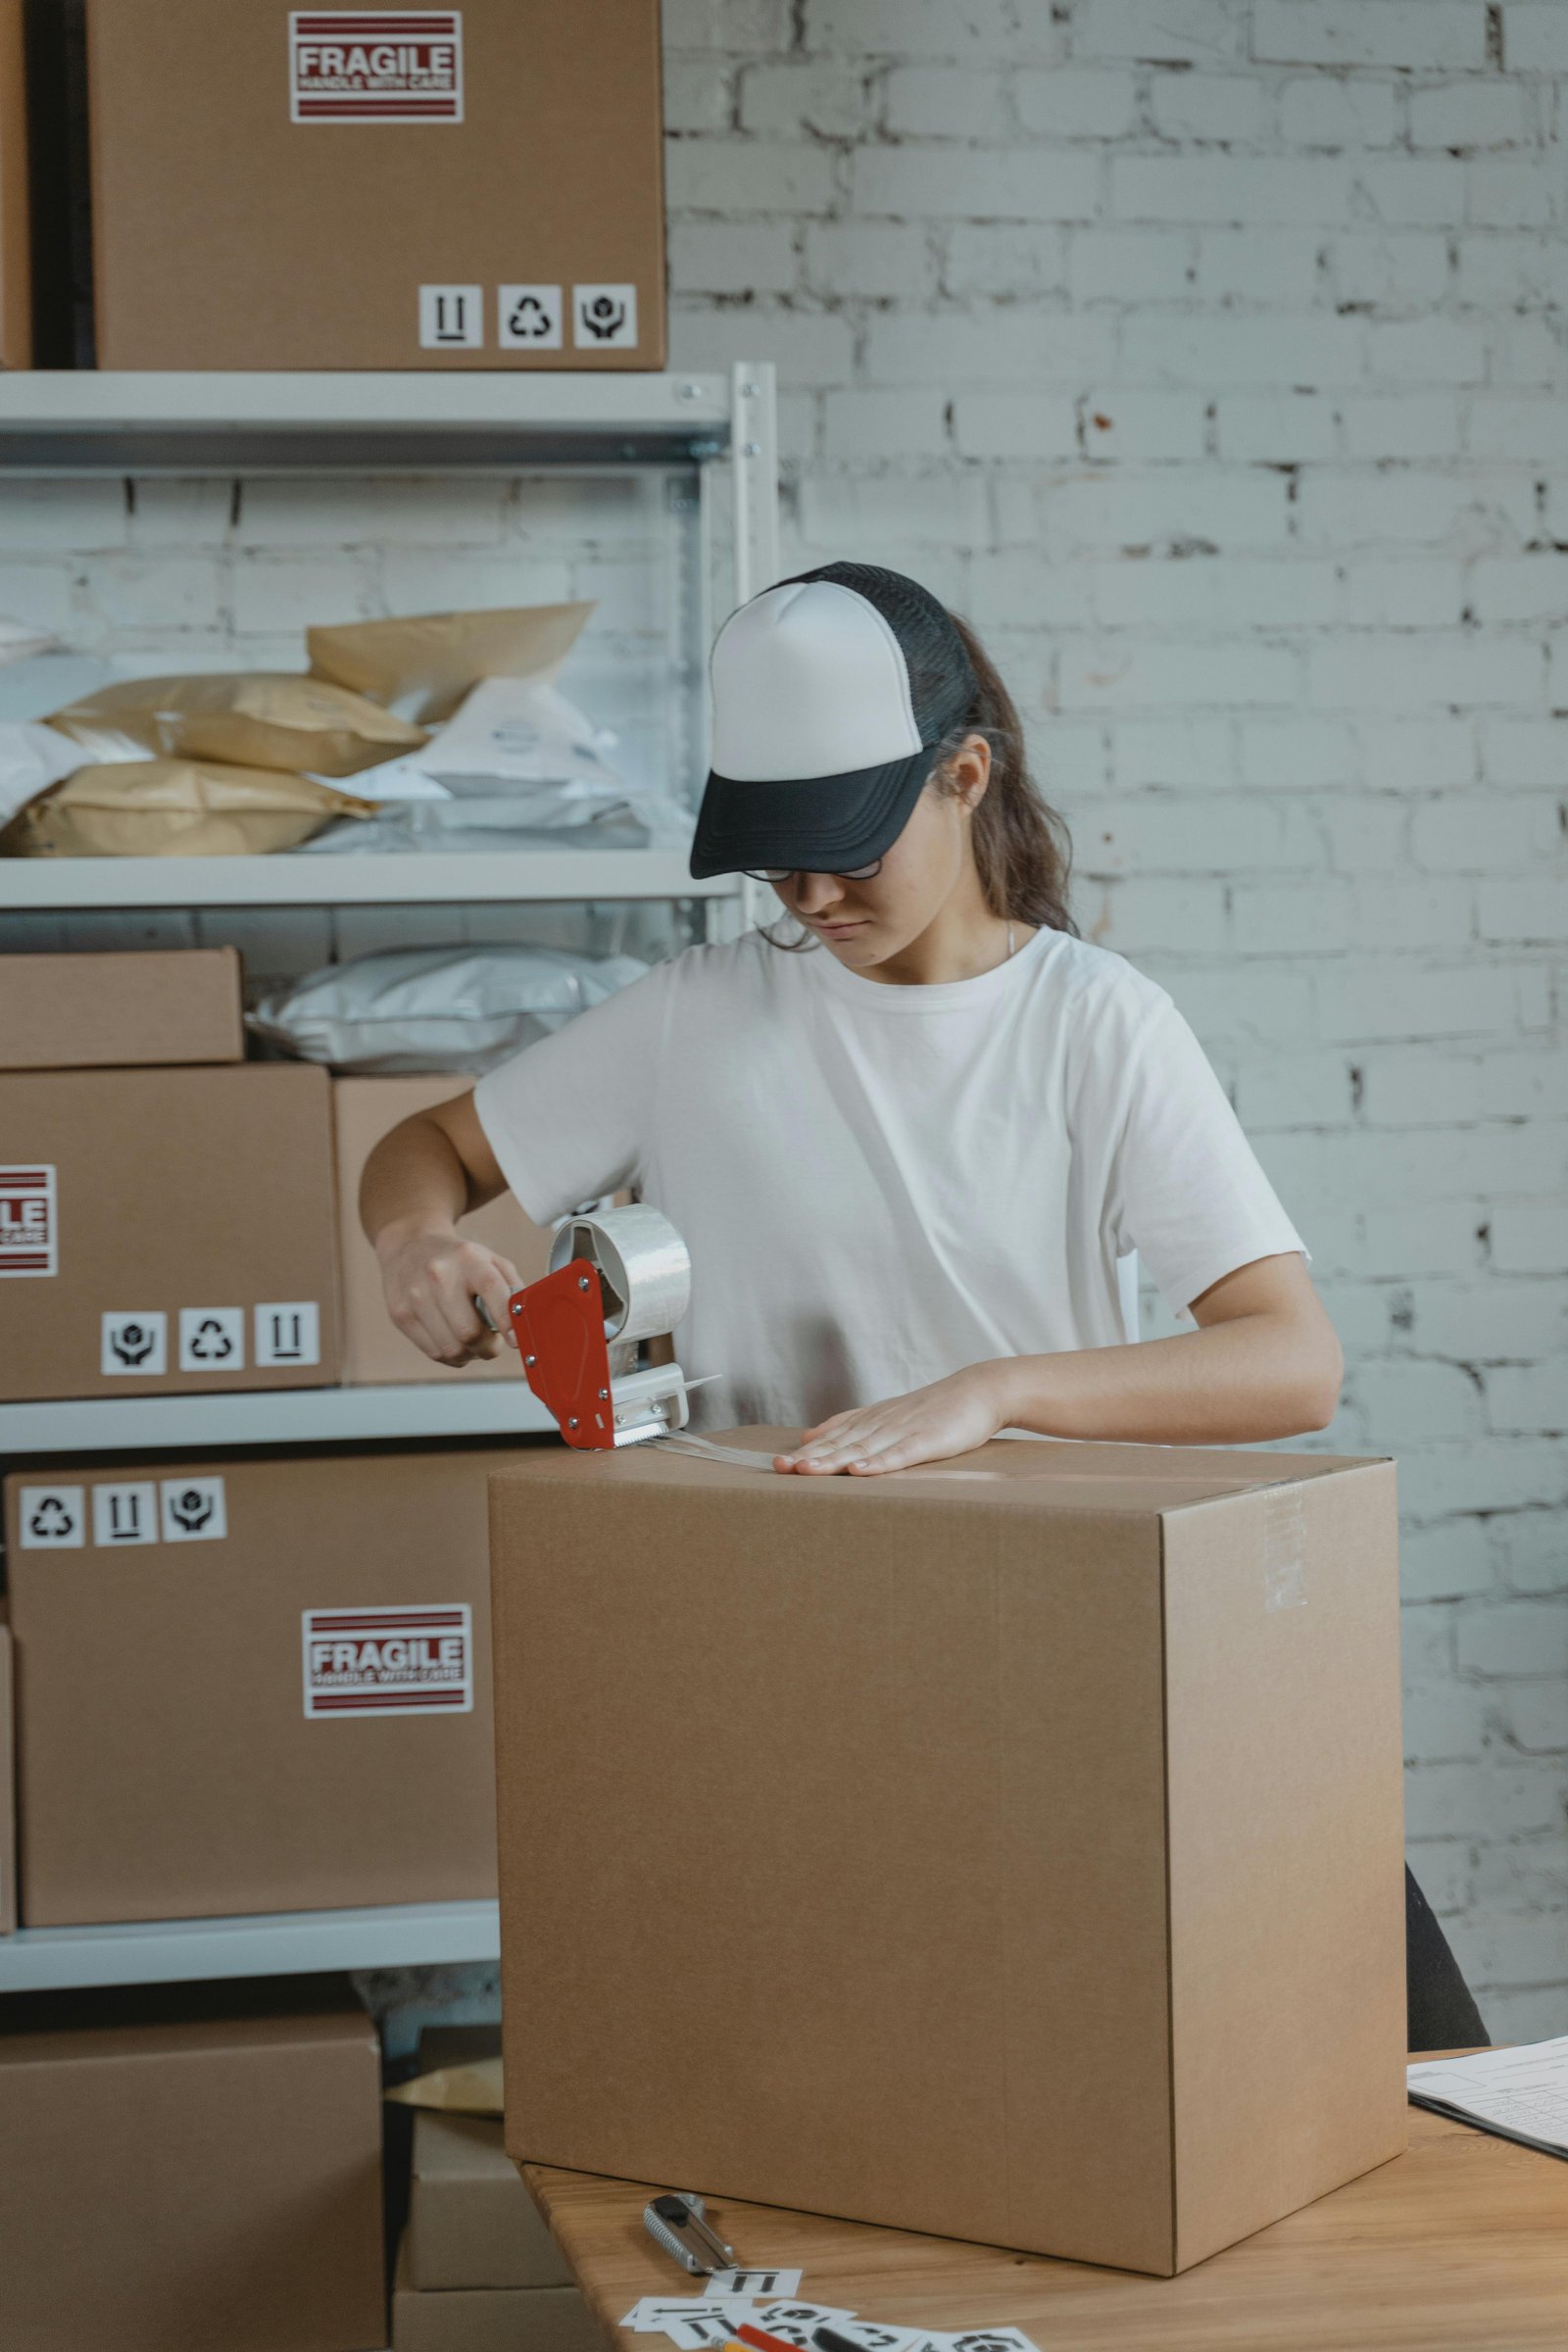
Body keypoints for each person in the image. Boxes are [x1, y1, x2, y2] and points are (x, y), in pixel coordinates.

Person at [360, 557, 1487, 2052]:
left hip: (1052, 1646)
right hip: (782, 1661)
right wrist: (416, 1247)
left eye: (846, 850)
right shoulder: (699, 1017)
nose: (814, 899)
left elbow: (1292, 1361)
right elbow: (421, 1152)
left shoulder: (1095, 1029)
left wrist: (997, 1391)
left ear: (964, 778)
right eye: (778, 864)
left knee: (1353, 2024)